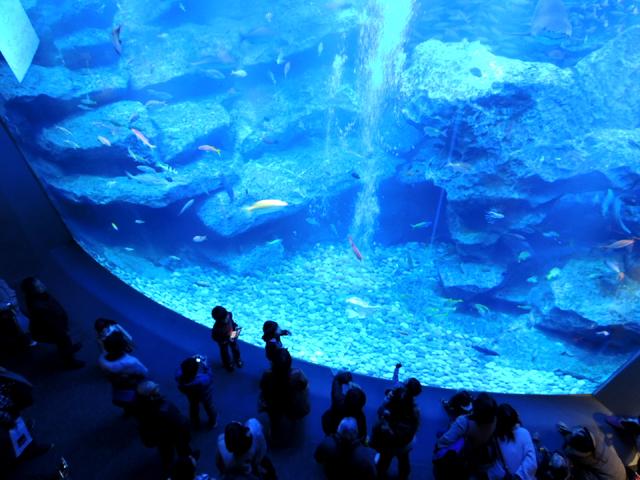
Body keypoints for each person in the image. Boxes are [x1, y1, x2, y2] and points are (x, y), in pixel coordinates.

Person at [20, 277, 84, 369]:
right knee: (63, 343)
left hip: (53, 327)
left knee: (63, 342)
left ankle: (68, 350)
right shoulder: (39, 307)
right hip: (53, 331)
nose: (43, 285)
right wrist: (64, 332)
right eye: (39, 286)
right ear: (33, 291)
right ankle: (70, 362)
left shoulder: (37, 296)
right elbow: (52, 326)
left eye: (40, 283)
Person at [133, 381, 196, 475]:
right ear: (151, 395)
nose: (158, 388)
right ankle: (188, 464)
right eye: (155, 389)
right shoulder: (164, 407)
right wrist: (187, 435)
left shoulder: (139, 406)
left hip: (158, 435)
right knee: (182, 448)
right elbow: (180, 422)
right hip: (172, 433)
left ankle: (168, 470)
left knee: (166, 453)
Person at [433, 392, 498, 480]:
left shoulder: (464, 421)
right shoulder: (495, 419)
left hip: (464, 456)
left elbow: (443, 442)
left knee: (440, 436)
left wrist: (439, 447)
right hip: (479, 454)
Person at [0, 367, 52, 471]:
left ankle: (24, 448)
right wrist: (9, 419)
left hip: (5, 402)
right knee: (12, 429)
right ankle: (22, 452)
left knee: (15, 425)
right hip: (4, 408)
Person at [370, 377, 422, 480]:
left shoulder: (392, 404)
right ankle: (404, 475)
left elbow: (380, 413)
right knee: (404, 459)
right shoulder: (415, 411)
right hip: (405, 443)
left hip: (389, 443)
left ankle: (380, 474)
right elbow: (415, 427)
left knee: (385, 459)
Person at [258, 348, 310, 429]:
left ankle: (275, 423)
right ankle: (293, 417)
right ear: (290, 363)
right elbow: (304, 384)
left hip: (274, 403)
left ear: (272, 363)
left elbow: (262, 386)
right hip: (291, 402)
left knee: (274, 413)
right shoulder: (297, 374)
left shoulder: (267, 375)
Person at [98, 331, 148, 413]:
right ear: (123, 347)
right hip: (132, 386)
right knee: (139, 401)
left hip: (117, 386)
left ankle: (127, 411)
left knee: (126, 402)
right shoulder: (131, 362)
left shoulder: (101, 359)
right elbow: (144, 372)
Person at [557, 423, 626, 480]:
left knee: (580, 473)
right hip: (620, 472)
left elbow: (568, 451)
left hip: (613, 477)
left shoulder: (584, 457)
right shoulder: (594, 442)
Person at [488, 403, 537, 480]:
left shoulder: (494, 438)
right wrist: (519, 476)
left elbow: (493, 466)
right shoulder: (524, 433)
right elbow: (531, 461)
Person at [321, 370, 367, 442]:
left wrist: (349, 381)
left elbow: (337, 379)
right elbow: (363, 436)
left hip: (331, 430)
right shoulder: (360, 417)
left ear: (346, 397)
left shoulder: (338, 400)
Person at [175, 355, 217, 430]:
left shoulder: (178, 376)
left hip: (190, 394)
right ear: (195, 371)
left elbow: (182, 367)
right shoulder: (202, 380)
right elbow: (209, 376)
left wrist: (191, 359)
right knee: (209, 406)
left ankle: (195, 423)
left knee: (193, 407)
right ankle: (213, 422)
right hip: (204, 395)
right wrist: (206, 365)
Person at [211, 306, 243, 372]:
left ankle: (237, 359)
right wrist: (223, 341)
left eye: (227, 316)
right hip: (223, 341)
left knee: (235, 348)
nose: (227, 319)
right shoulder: (216, 328)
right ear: (218, 320)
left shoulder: (229, 315)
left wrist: (236, 328)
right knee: (224, 352)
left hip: (232, 335)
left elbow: (232, 323)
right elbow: (214, 337)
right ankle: (227, 364)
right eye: (224, 319)